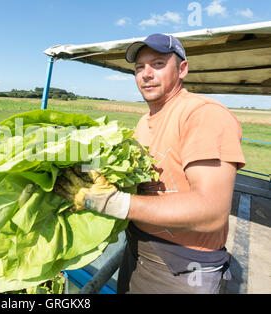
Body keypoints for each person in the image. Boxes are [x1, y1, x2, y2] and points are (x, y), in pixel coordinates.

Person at [53, 33, 246, 294]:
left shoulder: (202, 115)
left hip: (183, 267)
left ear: (182, 69)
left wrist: (113, 202)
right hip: (138, 249)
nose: (146, 74)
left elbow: (212, 211)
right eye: (139, 68)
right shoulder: (145, 121)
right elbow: (136, 179)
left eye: (157, 64)